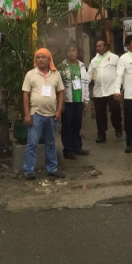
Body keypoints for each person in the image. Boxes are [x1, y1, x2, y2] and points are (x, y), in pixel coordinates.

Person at [22, 48, 65, 179]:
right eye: (38, 57)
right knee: (32, 143)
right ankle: (28, 171)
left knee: (51, 143)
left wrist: (59, 110)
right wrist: (27, 114)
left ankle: (52, 168)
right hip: (36, 114)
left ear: (49, 59)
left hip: (51, 115)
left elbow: (61, 93)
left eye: (43, 57)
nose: (40, 60)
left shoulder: (55, 74)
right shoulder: (30, 74)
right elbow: (26, 95)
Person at [59, 42, 90, 159]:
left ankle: (77, 147)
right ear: (66, 53)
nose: (71, 53)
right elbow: (58, 85)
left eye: (74, 50)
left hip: (79, 100)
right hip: (67, 101)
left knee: (77, 125)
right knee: (67, 126)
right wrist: (60, 102)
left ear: (77, 52)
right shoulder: (62, 66)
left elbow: (85, 83)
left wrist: (86, 99)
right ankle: (68, 150)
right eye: (69, 51)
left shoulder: (82, 66)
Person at [89, 39, 122, 143]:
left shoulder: (114, 58)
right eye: (97, 46)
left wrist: (119, 88)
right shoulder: (94, 60)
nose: (98, 48)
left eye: (100, 46)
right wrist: (83, 84)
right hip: (98, 92)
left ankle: (118, 127)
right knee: (100, 114)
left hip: (112, 90)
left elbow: (120, 73)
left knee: (115, 110)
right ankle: (101, 134)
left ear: (106, 46)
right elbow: (90, 74)